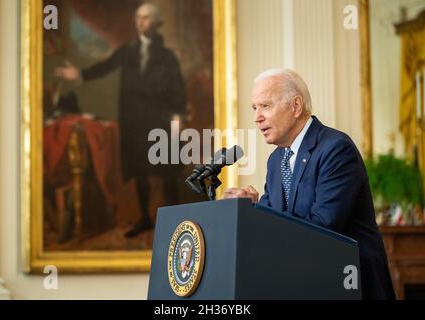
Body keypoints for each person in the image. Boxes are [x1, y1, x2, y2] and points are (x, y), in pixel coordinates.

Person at [224, 68, 395, 300]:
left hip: (349, 285)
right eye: (255, 108)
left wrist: (259, 210)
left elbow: (323, 228)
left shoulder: (335, 149)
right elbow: (273, 225)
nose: (257, 117)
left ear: (296, 106)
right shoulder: (276, 160)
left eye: (265, 106)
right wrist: (251, 210)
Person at [55, 3, 186, 237]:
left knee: (167, 172)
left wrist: (177, 118)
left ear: (156, 23)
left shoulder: (167, 57)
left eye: (146, 18)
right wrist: (80, 75)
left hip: (160, 122)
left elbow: (178, 89)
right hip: (135, 122)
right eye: (138, 18)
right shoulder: (127, 52)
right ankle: (145, 219)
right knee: (140, 171)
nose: (141, 22)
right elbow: (106, 67)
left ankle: (176, 222)